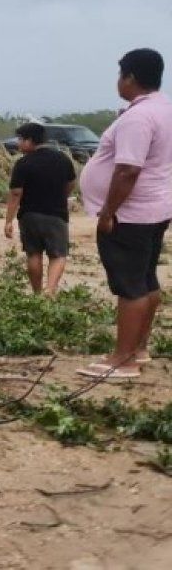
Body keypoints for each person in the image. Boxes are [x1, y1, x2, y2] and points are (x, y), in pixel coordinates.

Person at [76, 48, 172, 380]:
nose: (118, 81)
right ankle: (139, 348)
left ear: (130, 77)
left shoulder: (138, 118)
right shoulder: (164, 110)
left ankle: (123, 358)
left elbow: (128, 170)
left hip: (130, 214)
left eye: (121, 74)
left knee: (129, 285)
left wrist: (107, 212)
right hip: (155, 209)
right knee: (145, 279)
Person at [3, 123, 77, 295]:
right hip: (56, 214)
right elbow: (71, 183)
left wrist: (8, 220)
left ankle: (37, 294)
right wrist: (60, 196)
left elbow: (16, 193)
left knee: (33, 253)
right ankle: (50, 291)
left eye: (21, 139)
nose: (18, 143)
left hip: (29, 215)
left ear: (30, 140)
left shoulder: (23, 163)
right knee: (58, 254)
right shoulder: (62, 159)